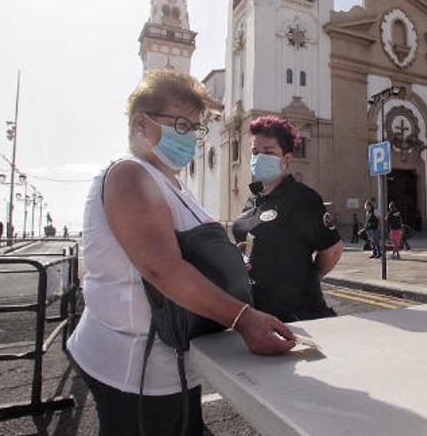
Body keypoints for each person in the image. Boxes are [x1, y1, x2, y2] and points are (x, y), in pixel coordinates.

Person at [67, 70, 295, 436]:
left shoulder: (169, 180)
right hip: (135, 368)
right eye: (182, 126)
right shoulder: (130, 174)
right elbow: (162, 269)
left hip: (172, 360)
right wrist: (244, 319)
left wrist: (227, 260)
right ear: (141, 123)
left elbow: (185, 250)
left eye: (196, 128)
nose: (191, 138)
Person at [232, 116, 343, 322]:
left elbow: (332, 250)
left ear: (287, 157)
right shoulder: (253, 199)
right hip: (257, 311)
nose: (259, 157)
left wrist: (307, 279)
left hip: (297, 315)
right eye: (255, 152)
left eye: (269, 152)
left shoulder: (302, 198)